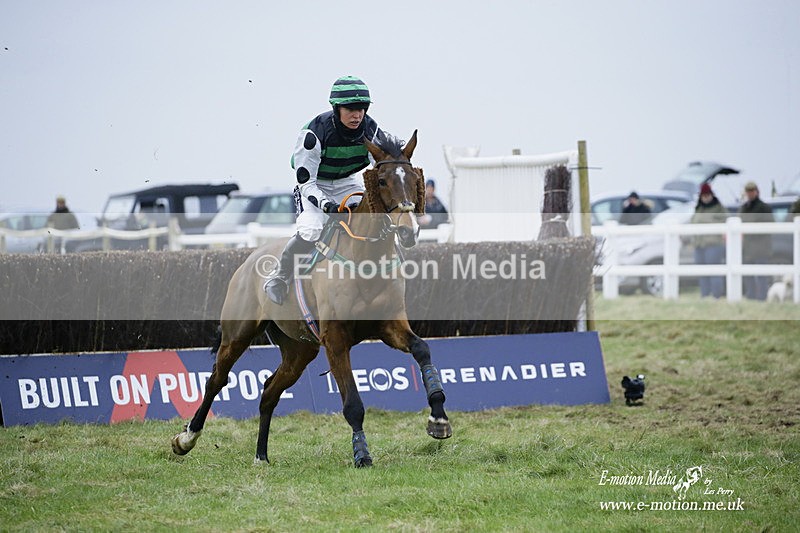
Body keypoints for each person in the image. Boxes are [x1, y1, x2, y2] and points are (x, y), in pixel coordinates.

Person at [264, 75, 397, 305]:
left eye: (362, 109)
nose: (358, 116)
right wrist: (327, 205)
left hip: (347, 181)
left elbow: (387, 157)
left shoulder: (370, 129)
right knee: (312, 229)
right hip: (315, 185)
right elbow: (307, 183)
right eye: (351, 110)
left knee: (371, 218)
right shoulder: (313, 134)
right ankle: (280, 276)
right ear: (336, 108)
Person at [690, 183, 727, 298]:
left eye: (707, 195)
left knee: (714, 270)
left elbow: (724, 222)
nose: (705, 198)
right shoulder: (699, 208)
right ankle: (704, 294)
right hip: (699, 244)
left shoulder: (719, 208)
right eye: (703, 196)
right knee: (702, 272)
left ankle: (716, 295)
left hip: (713, 244)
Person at [738, 181, 774, 300]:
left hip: (761, 247)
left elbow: (769, 226)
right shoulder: (743, 208)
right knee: (748, 274)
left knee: (761, 275)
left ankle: (762, 297)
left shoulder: (764, 208)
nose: (749, 194)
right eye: (748, 191)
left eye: (751, 191)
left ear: (756, 192)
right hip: (747, 247)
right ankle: (751, 295)